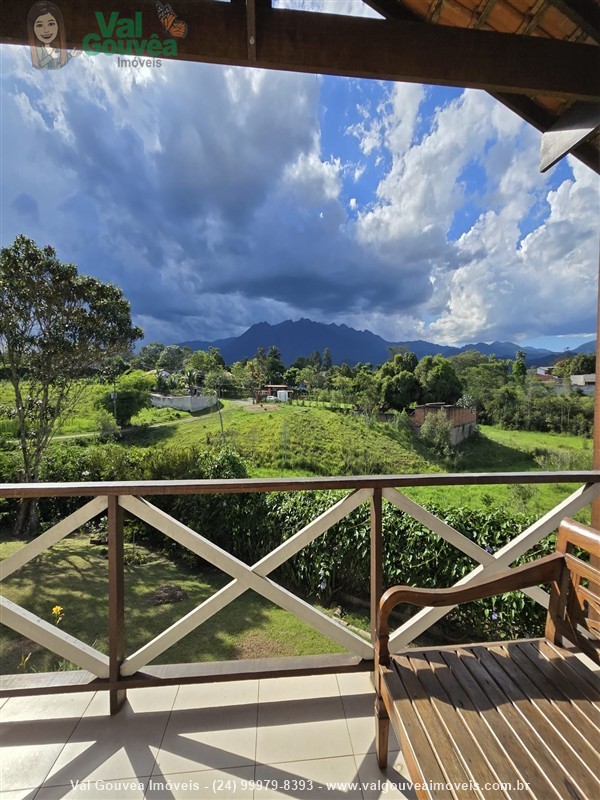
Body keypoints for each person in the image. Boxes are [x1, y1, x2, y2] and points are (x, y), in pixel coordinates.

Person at [28, 2, 79, 70]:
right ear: (33, 28)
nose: (46, 30)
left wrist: (70, 55)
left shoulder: (55, 48)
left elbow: (59, 64)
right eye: (39, 25)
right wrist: (51, 56)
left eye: (51, 24)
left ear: (58, 25)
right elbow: (39, 66)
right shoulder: (39, 50)